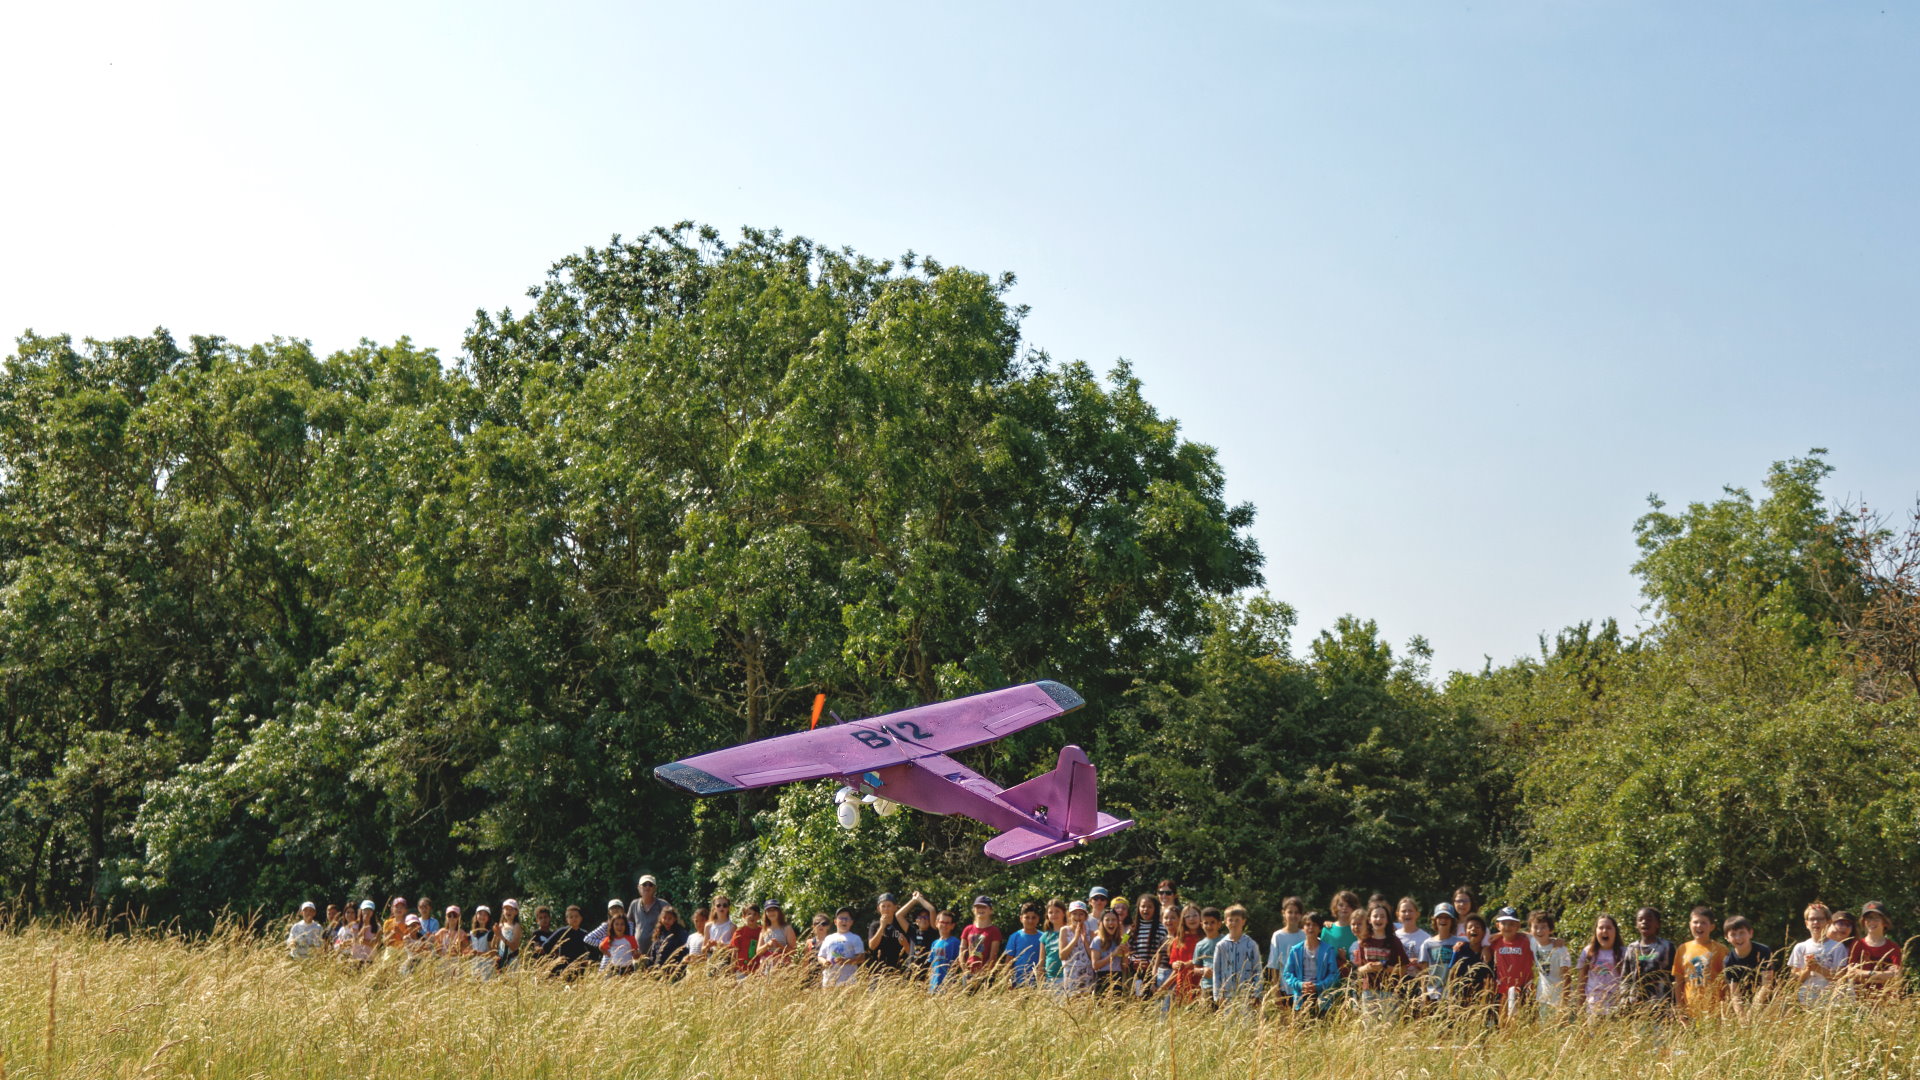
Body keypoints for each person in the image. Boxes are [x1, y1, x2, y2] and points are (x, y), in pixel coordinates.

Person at [1351, 903, 1410, 1020]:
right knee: (1370, 1028)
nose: (1379, 919)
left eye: (1382, 916)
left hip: (1390, 991)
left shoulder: (1394, 941)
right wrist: (1367, 968)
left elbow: (1403, 970)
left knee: (1388, 1028)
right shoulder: (1364, 941)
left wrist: (1384, 967)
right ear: (1369, 919)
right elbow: (1358, 970)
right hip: (1369, 990)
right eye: (1375, 916)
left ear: (1387, 920)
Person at [1788, 902, 1849, 1006]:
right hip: (1804, 1001)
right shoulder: (1800, 947)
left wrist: (1818, 968)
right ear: (1807, 924)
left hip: (1830, 1002)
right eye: (1812, 919)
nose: (1816, 922)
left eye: (1820, 919)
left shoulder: (1838, 947)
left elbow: (1841, 979)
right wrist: (1807, 969)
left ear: (1828, 923)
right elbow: (1794, 981)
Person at [1282, 911, 1342, 1014]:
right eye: (1308, 924)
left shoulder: (1328, 950)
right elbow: (1287, 974)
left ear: (1319, 928)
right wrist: (1300, 985)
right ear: (1303, 928)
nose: (1311, 928)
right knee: (1300, 1028)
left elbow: (1334, 975)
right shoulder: (1296, 950)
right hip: (1301, 997)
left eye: (1314, 925)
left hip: (1322, 997)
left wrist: (1318, 986)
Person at [1673, 906, 1728, 1018]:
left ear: (1711, 927)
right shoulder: (1683, 949)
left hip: (1714, 1010)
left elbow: (1726, 981)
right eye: (1695, 922)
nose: (1699, 926)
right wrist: (1679, 1008)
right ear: (1690, 924)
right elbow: (1678, 981)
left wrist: (1726, 1008)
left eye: (1703, 923)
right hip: (1690, 1010)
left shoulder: (1720, 949)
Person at [1620, 907, 1676, 1016]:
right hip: (1636, 1007)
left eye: (1649, 919)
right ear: (1636, 924)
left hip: (1661, 1006)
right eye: (1640, 919)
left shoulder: (1667, 947)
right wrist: (1625, 999)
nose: (1644, 922)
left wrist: (1675, 1004)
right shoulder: (1632, 948)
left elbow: (1674, 977)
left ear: (1657, 924)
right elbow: (1625, 978)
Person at [1845, 901, 1902, 1003]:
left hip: (1886, 1002)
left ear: (1884, 922)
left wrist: (1864, 975)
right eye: (1868, 918)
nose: (1872, 922)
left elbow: (1896, 976)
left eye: (1876, 918)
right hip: (1860, 1002)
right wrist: (1882, 975)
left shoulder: (1893, 948)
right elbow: (1851, 973)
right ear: (1863, 921)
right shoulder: (1857, 945)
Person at [1447, 912, 1497, 1026]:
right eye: (1470, 927)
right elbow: (1451, 976)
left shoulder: (1488, 953)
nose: (1474, 929)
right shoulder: (1460, 949)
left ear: (1484, 932)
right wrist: (1450, 1002)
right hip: (1460, 1000)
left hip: (1481, 1001)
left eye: (1478, 927)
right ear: (1465, 932)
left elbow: (1491, 978)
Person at [1577, 913, 1626, 1018]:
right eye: (1601, 928)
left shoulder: (1623, 953)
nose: (1604, 931)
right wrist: (1579, 1007)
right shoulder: (1588, 952)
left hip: (1616, 1008)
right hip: (1593, 1008)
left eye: (1609, 928)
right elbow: (1581, 982)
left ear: (1615, 931)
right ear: (1596, 931)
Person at [1720, 915, 1774, 1011]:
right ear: (1726, 938)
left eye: (1742, 933)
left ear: (1750, 933)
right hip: (1745, 1005)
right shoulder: (1729, 961)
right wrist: (1741, 1017)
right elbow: (1735, 994)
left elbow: (1767, 984)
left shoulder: (1763, 951)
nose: (1738, 937)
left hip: (1768, 1004)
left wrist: (1753, 1010)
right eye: (1733, 934)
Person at [1213, 905, 1263, 1008]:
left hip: (1247, 995)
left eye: (1237, 920)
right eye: (1230, 920)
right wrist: (1217, 995)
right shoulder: (1221, 945)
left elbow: (1257, 970)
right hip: (1227, 995)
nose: (1234, 923)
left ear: (1243, 921)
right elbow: (1216, 971)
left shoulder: (1251, 945)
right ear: (1225, 922)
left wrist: (1256, 994)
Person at [1417, 903, 1464, 1007]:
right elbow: (1424, 972)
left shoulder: (1460, 942)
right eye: (1440, 917)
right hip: (1432, 994)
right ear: (1435, 920)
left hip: (1453, 994)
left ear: (1452, 921)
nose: (1443, 920)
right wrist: (1424, 994)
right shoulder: (1427, 944)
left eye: (1447, 917)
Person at [1530, 910, 1572, 1018]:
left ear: (1550, 929)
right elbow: (1516, 932)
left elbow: (1567, 977)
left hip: (1559, 1000)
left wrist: (1564, 1003)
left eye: (1543, 927)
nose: (1539, 930)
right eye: (1535, 927)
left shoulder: (1561, 949)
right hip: (1543, 999)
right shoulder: (1533, 942)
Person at [1266, 896, 1308, 997]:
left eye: (1297, 912)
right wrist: (1276, 992)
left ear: (1301, 915)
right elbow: (1274, 966)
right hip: (1285, 989)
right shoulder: (1278, 936)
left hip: (1305, 988)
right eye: (1290, 912)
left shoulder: (1305, 935)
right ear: (1283, 913)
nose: (1293, 915)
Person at [1128, 893, 1166, 997]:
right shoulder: (1131, 929)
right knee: (1139, 998)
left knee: (1152, 999)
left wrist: (1150, 963)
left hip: (1155, 973)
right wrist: (1132, 960)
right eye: (1143, 906)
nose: (1146, 909)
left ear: (1155, 909)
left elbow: (1164, 953)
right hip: (1137, 973)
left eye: (1149, 907)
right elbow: (1125, 948)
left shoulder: (1162, 929)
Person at [818, 908, 867, 988]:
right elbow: (820, 956)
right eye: (841, 918)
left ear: (851, 922)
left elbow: (861, 958)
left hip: (848, 980)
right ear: (835, 921)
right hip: (829, 979)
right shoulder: (828, 938)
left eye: (847, 919)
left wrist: (846, 961)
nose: (844, 921)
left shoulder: (855, 938)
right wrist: (824, 962)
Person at [1162, 905, 1201, 1004]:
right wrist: (1176, 965)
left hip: (1202, 984)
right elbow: (1174, 965)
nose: (1191, 918)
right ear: (1183, 920)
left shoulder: (1206, 938)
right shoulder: (1179, 940)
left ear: (1200, 917)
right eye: (1187, 916)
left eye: (1195, 915)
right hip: (1183, 986)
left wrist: (1190, 963)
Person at [961, 897, 1005, 983]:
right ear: (973, 910)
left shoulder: (994, 931)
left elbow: (993, 957)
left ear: (991, 910)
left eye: (984, 907)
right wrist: (965, 971)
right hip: (968, 974)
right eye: (978, 907)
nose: (980, 909)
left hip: (985, 975)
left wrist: (978, 976)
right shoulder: (968, 929)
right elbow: (961, 951)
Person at [867, 893, 911, 977]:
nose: (886, 909)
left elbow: (910, 951)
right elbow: (872, 946)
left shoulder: (902, 925)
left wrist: (905, 943)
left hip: (898, 972)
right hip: (878, 973)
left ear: (895, 907)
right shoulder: (874, 926)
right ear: (878, 908)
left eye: (889, 906)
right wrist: (882, 926)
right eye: (883, 906)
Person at [548, 905, 596, 978]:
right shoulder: (562, 931)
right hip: (562, 967)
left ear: (581, 918)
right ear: (567, 919)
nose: (574, 919)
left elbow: (593, 950)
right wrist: (555, 958)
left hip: (579, 969)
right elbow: (547, 945)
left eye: (576, 916)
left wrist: (587, 960)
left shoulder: (584, 934)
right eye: (571, 917)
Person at [1006, 903, 1046, 988]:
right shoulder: (1015, 936)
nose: (1030, 921)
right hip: (1018, 981)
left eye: (1033, 918)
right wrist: (1008, 980)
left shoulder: (1043, 937)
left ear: (1038, 919)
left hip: (1038, 981)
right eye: (1027, 917)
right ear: (1021, 918)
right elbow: (1009, 961)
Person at [1059, 901, 1095, 995]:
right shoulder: (1064, 930)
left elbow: (1093, 957)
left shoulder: (1090, 932)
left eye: (1081, 914)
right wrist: (1075, 938)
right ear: (1069, 915)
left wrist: (1084, 940)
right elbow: (1062, 955)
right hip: (1071, 973)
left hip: (1087, 972)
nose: (1078, 917)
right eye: (1074, 914)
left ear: (1085, 917)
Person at [1091, 908, 1128, 997]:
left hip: (1117, 977)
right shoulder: (1097, 941)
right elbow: (1095, 965)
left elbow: (1124, 966)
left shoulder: (1120, 941)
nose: (1111, 923)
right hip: (1102, 977)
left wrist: (1125, 954)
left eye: (1113, 920)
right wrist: (1113, 954)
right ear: (1102, 923)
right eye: (1107, 920)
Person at [1192, 907, 1223, 1002]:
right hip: (1207, 987)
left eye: (1212, 922)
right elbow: (1195, 968)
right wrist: (1203, 970)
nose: (1209, 926)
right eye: (1206, 923)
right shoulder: (1200, 945)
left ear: (1219, 924)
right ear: (1201, 925)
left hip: (1224, 986)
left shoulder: (1226, 941)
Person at [648, 906, 691, 972]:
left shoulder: (680, 933)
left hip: (673, 968)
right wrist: (651, 967)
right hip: (658, 968)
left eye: (669, 918)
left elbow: (684, 952)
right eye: (664, 918)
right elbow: (654, 952)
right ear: (661, 918)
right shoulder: (659, 932)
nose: (666, 921)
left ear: (675, 919)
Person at [757, 901, 798, 971]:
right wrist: (767, 945)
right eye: (769, 911)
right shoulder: (764, 930)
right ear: (766, 913)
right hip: (766, 968)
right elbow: (758, 952)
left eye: (774, 910)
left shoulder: (787, 928)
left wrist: (779, 946)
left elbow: (794, 951)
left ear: (779, 912)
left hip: (782, 967)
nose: (771, 913)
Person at [928, 910, 963, 992]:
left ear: (952, 926)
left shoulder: (955, 942)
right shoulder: (934, 943)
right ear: (936, 923)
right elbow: (931, 965)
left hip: (948, 985)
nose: (944, 925)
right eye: (942, 922)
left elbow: (958, 963)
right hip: (933, 985)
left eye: (948, 923)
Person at [628, 875, 667, 946]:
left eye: (650, 885)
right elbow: (628, 926)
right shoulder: (634, 904)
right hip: (639, 953)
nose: (647, 887)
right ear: (639, 888)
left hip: (659, 950)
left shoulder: (663, 905)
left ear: (655, 888)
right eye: (644, 884)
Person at [597, 911, 639, 975]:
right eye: (616, 924)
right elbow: (601, 947)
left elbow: (635, 954)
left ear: (626, 926)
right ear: (612, 926)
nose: (619, 927)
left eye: (622, 924)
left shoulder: (631, 939)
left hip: (628, 968)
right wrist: (608, 954)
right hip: (614, 968)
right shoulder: (610, 939)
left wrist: (636, 955)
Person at [1321, 891, 1360, 960]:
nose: (1344, 908)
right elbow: (1322, 957)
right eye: (1341, 905)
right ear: (1335, 907)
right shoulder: (1327, 930)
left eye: (1348, 905)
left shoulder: (1359, 929)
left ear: (1354, 908)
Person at [1395, 897, 1431, 972]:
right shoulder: (1393, 937)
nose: (1407, 914)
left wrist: (1419, 963)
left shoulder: (1426, 938)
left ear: (1417, 914)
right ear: (1398, 914)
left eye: (1410, 911)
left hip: (1419, 980)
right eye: (1403, 911)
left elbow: (1431, 965)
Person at [1041, 898, 1068, 988]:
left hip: (1067, 977)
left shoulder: (1070, 932)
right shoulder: (1045, 936)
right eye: (1050, 912)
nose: (1054, 914)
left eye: (1057, 911)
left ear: (1064, 913)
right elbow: (1041, 961)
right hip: (1050, 979)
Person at [468, 906, 497, 979]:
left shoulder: (490, 933)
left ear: (488, 918)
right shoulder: (472, 933)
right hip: (474, 965)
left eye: (485, 915)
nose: (482, 917)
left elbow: (493, 953)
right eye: (480, 914)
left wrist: (478, 953)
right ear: (476, 916)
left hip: (487, 966)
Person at [730, 903, 761, 973]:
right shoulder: (739, 932)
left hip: (757, 969)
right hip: (741, 969)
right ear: (744, 916)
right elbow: (734, 953)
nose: (752, 916)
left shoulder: (762, 931)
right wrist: (732, 972)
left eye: (755, 914)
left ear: (759, 917)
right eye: (749, 914)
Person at [496, 899, 523, 971]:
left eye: (511, 909)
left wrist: (500, 936)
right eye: (506, 909)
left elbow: (514, 947)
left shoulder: (516, 926)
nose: (508, 911)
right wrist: (495, 934)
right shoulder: (501, 926)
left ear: (516, 912)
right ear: (503, 911)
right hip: (501, 960)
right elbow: (494, 946)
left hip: (512, 961)